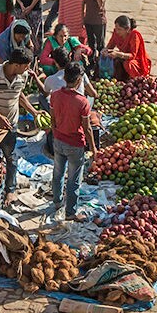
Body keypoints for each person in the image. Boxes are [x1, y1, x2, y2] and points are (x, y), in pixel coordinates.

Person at [0, 47, 39, 209]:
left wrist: (34, 111)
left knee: (11, 157)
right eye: (26, 66)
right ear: (16, 65)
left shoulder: (23, 75)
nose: (28, 69)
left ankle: (10, 189)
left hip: (11, 123)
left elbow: (19, 94)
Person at [46, 59, 98, 225]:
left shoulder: (55, 95)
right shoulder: (82, 102)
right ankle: (70, 212)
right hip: (75, 144)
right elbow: (87, 128)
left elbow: (52, 119)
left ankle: (57, 202)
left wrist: (55, 133)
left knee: (58, 172)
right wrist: (94, 148)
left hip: (58, 140)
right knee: (74, 179)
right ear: (79, 80)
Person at [105, 16, 152, 80]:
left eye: (119, 29)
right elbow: (110, 45)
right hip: (123, 55)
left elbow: (133, 55)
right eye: (116, 28)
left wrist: (118, 54)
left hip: (137, 59)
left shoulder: (134, 35)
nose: (117, 31)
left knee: (129, 64)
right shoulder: (116, 33)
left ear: (127, 29)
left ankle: (136, 79)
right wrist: (105, 51)